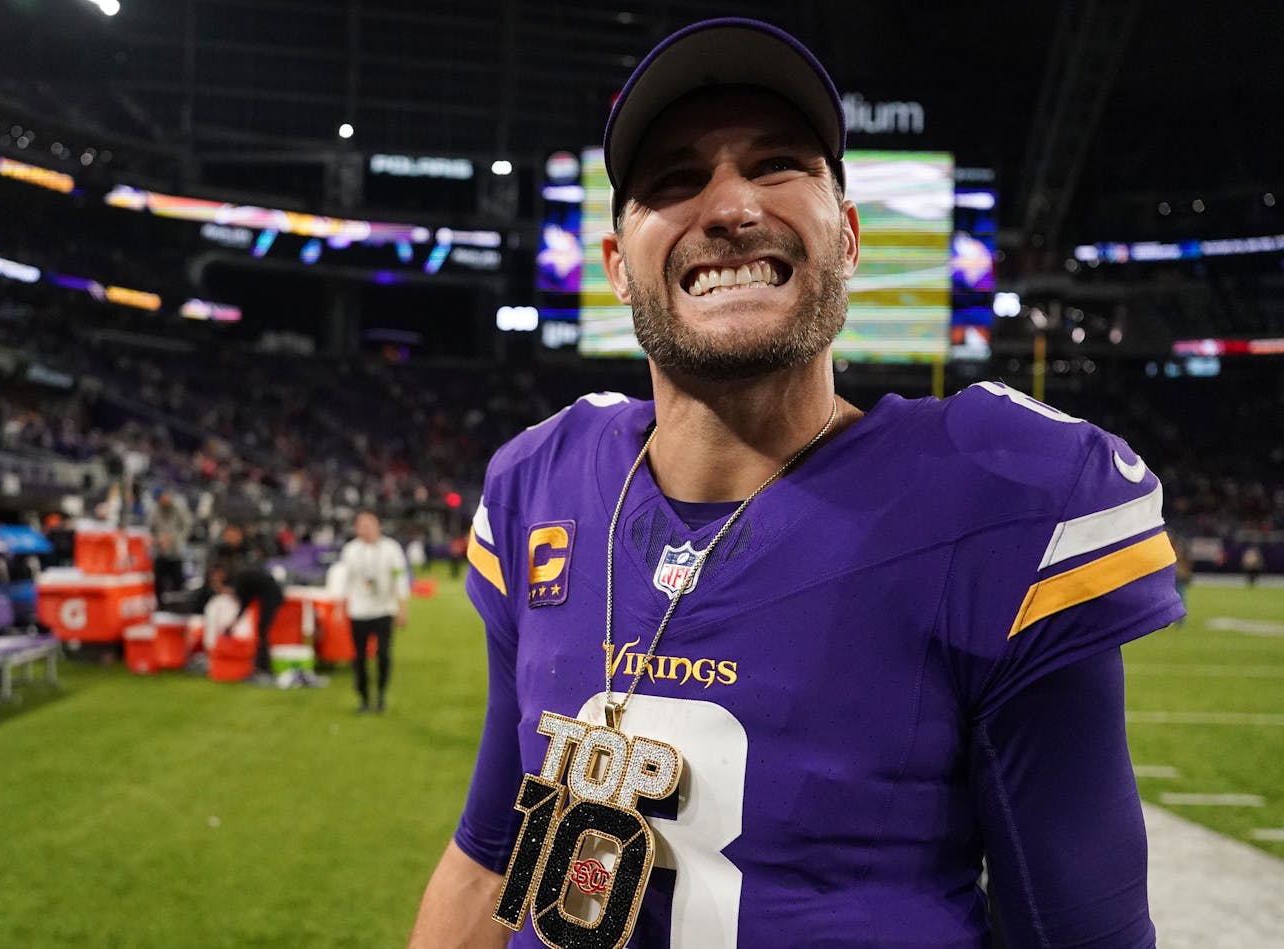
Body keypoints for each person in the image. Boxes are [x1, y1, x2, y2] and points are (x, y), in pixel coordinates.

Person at [409, 18, 1182, 949]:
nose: (730, 204)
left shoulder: (999, 494)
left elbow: (1081, 933)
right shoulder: (541, 482)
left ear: (848, 238)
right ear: (616, 267)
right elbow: (491, 855)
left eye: (777, 164)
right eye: (673, 180)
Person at [336, 510, 410, 713]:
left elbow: (400, 577)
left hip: (384, 609)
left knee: (384, 654)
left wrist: (402, 607)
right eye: (360, 526)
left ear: (378, 526)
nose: (364, 529)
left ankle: (381, 695)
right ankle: (363, 697)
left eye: (368, 525)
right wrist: (339, 606)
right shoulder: (350, 550)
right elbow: (343, 580)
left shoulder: (391, 548)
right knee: (358, 656)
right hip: (358, 611)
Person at [208, 559, 284, 678]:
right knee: (261, 631)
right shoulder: (241, 578)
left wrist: (233, 623)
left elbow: (243, 602)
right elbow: (245, 603)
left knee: (262, 631)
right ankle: (261, 665)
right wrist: (234, 623)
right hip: (271, 595)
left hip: (271, 596)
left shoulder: (238, 580)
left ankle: (264, 666)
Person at [146, 487, 193, 604]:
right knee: (158, 582)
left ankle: (178, 607)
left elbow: (187, 527)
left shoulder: (179, 508)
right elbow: (150, 531)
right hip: (160, 552)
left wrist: (174, 538)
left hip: (176, 552)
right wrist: (158, 539)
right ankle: (160, 605)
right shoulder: (155, 511)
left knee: (177, 582)